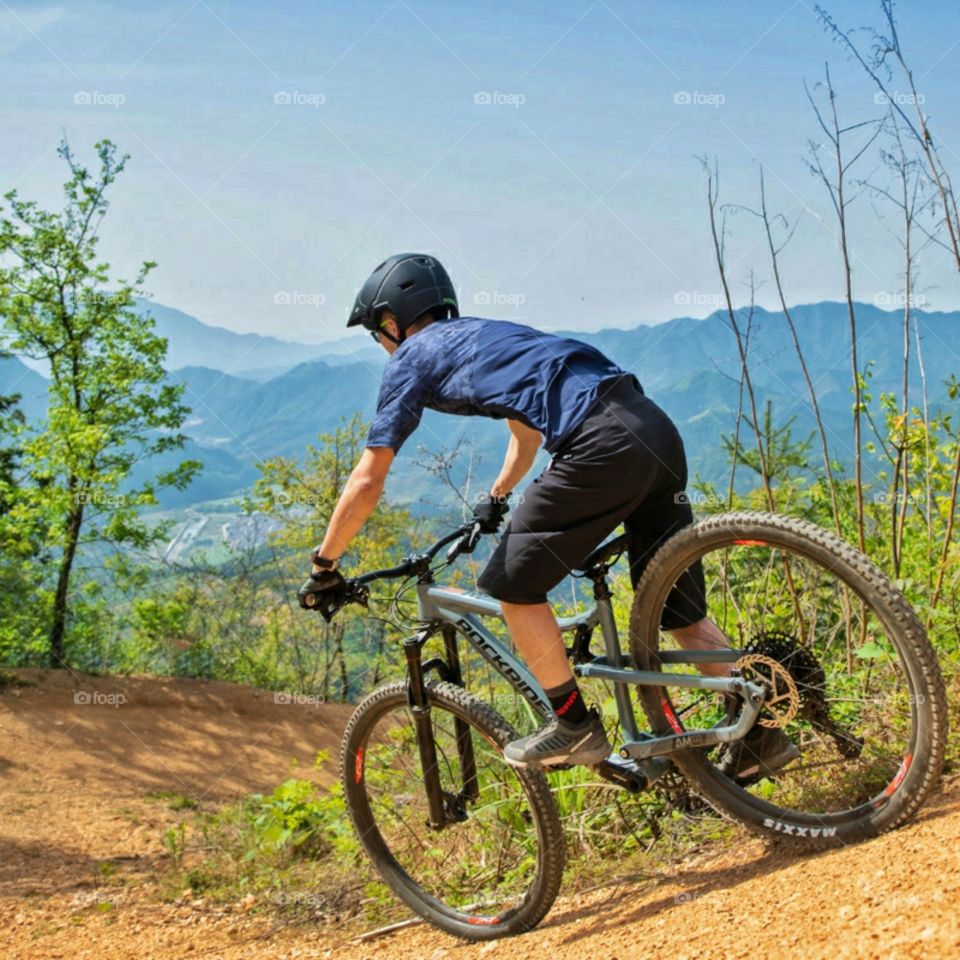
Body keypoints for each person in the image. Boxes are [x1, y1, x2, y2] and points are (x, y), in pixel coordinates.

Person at [299, 252, 798, 779]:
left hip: (601, 445)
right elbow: (526, 433)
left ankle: (573, 723)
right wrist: (497, 497)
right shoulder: (490, 335)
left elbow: (368, 479)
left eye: (375, 332)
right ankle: (760, 730)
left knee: (511, 584)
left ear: (391, 321)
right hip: (652, 431)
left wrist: (325, 565)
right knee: (679, 612)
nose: (380, 344)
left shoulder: (411, 357)